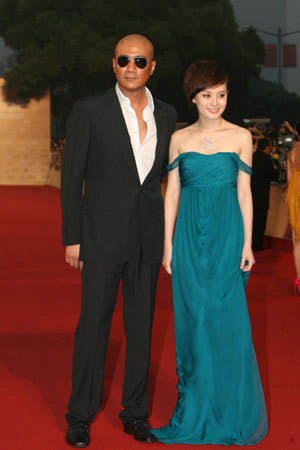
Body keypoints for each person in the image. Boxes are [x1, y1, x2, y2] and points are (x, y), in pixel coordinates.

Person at [61, 34, 177, 447]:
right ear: (113, 64)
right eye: (124, 59)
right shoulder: (89, 110)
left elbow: (163, 181)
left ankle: (135, 413)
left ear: (152, 67)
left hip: (147, 237)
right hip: (100, 236)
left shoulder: (167, 113)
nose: (132, 66)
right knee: (92, 326)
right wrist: (73, 237)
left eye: (140, 61)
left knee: (142, 328)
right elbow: (71, 177)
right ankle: (79, 415)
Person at [151, 60, 268, 445]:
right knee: (194, 321)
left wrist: (248, 243)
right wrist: (167, 244)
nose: (214, 102)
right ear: (193, 97)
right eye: (206, 95)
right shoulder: (180, 139)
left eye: (221, 95)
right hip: (187, 237)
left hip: (227, 236)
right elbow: (172, 195)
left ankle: (230, 409)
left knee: (227, 322)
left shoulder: (240, 137)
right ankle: (196, 407)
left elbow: (245, 193)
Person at [251, 138, 279, 251]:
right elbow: (273, 175)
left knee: (251, 220)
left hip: (251, 193)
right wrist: (276, 169)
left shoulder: (252, 156)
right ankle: (257, 245)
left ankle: (250, 243)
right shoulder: (267, 159)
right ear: (267, 147)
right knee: (260, 221)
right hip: (262, 195)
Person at [286, 120, 300, 294]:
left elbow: (289, 180)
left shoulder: (292, 153)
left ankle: (299, 279)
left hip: (295, 195)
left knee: (298, 240)